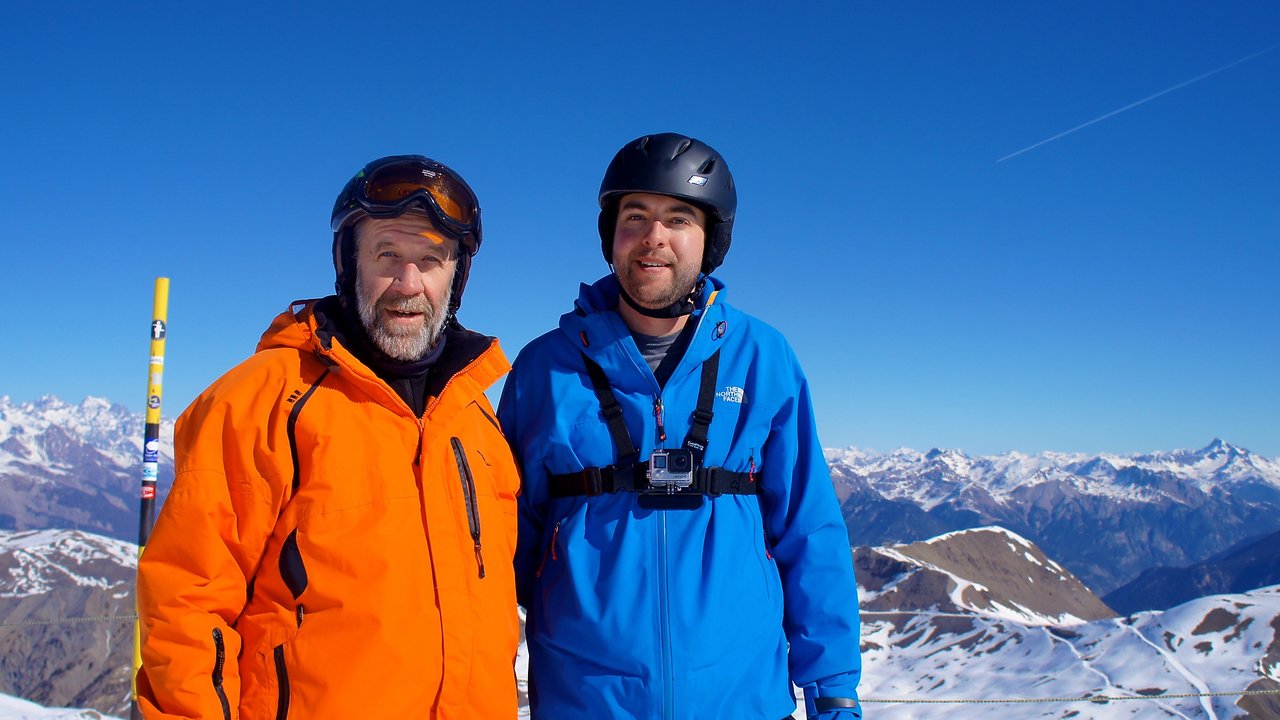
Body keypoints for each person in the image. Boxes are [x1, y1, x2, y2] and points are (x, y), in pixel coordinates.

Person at [136, 155, 521, 719]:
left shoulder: (476, 418)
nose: (408, 283)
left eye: (431, 260)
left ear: (455, 277)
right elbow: (187, 607)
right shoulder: (262, 400)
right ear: (349, 263)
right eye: (387, 253)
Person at [498, 133, 862, 719]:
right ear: (610, 234)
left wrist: (834, 692)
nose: (653, 238)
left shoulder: (763, 358)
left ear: (709, 239)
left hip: (740, 701)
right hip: (585, 702)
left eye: (678, 219)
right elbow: (501, 543)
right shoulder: (546, 368)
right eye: (635, 216)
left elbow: (809, 531)